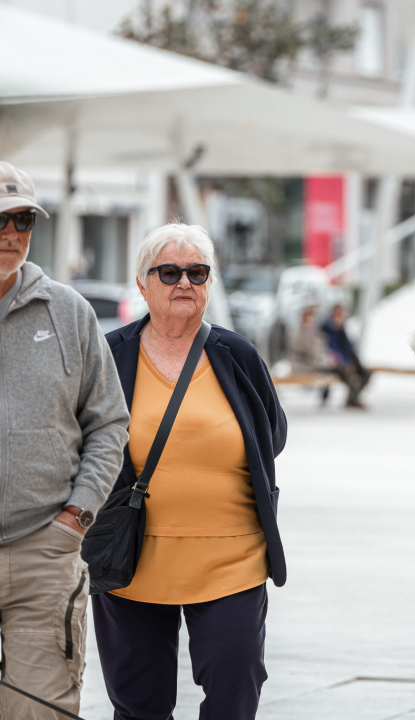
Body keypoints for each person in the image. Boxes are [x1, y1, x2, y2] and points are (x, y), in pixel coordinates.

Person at [93, 223, 287, 720]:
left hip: (232, 559)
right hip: (129, 559)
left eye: (197, 272)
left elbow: (272, 432)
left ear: (209, 283)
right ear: (142, 284)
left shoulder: (237, 353)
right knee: (139, 704)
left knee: (235, 687)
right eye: (169, 272)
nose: (184, 282)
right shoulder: (109, 355)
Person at [0, 162, 129, 718]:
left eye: (23, 220)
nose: (12, 233)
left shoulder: (69, 312)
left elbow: (109, 421)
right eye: (0, 220)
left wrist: (77, 516)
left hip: (44, 552)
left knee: (40, 710)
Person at [321, 302, 371, 407]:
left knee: (365, 373)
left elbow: (348, 347)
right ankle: (353, 399)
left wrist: (354, 361)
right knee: (351, 377)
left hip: (346, 361)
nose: (340, 316)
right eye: (338, 314)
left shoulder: (341, 328)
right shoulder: (326, 328)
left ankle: (352, 397)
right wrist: (344, 362)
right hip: (333, 363)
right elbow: (329, 349)